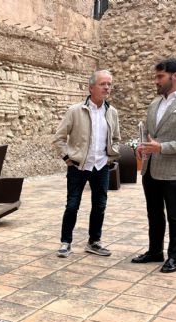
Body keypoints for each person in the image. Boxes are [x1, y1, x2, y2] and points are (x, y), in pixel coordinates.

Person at [133, 57, 176, 273]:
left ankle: (174, 257)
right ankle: (155, 251)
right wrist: (141, 145)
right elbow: (149, 133)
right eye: (156, 76)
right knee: (153, 213)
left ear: (175, 76)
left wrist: (161, 147)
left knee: (174, 215)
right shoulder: (155, 103)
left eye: (160, 76)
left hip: (174, 171)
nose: (156, 81)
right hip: (150, 168)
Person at [53, 70, 120, 258]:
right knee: (72, 205)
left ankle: (94, 242)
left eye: (109, 84)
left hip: (101, 167)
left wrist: (110, 157)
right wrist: (67, 158)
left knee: (100, 206)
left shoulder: (112, 112)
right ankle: (66, 242)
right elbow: (58, 138)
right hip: (78, 166)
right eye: (102, 84)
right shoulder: (75, 111)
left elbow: (116, 138)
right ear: (91, 87)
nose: (107, 87)